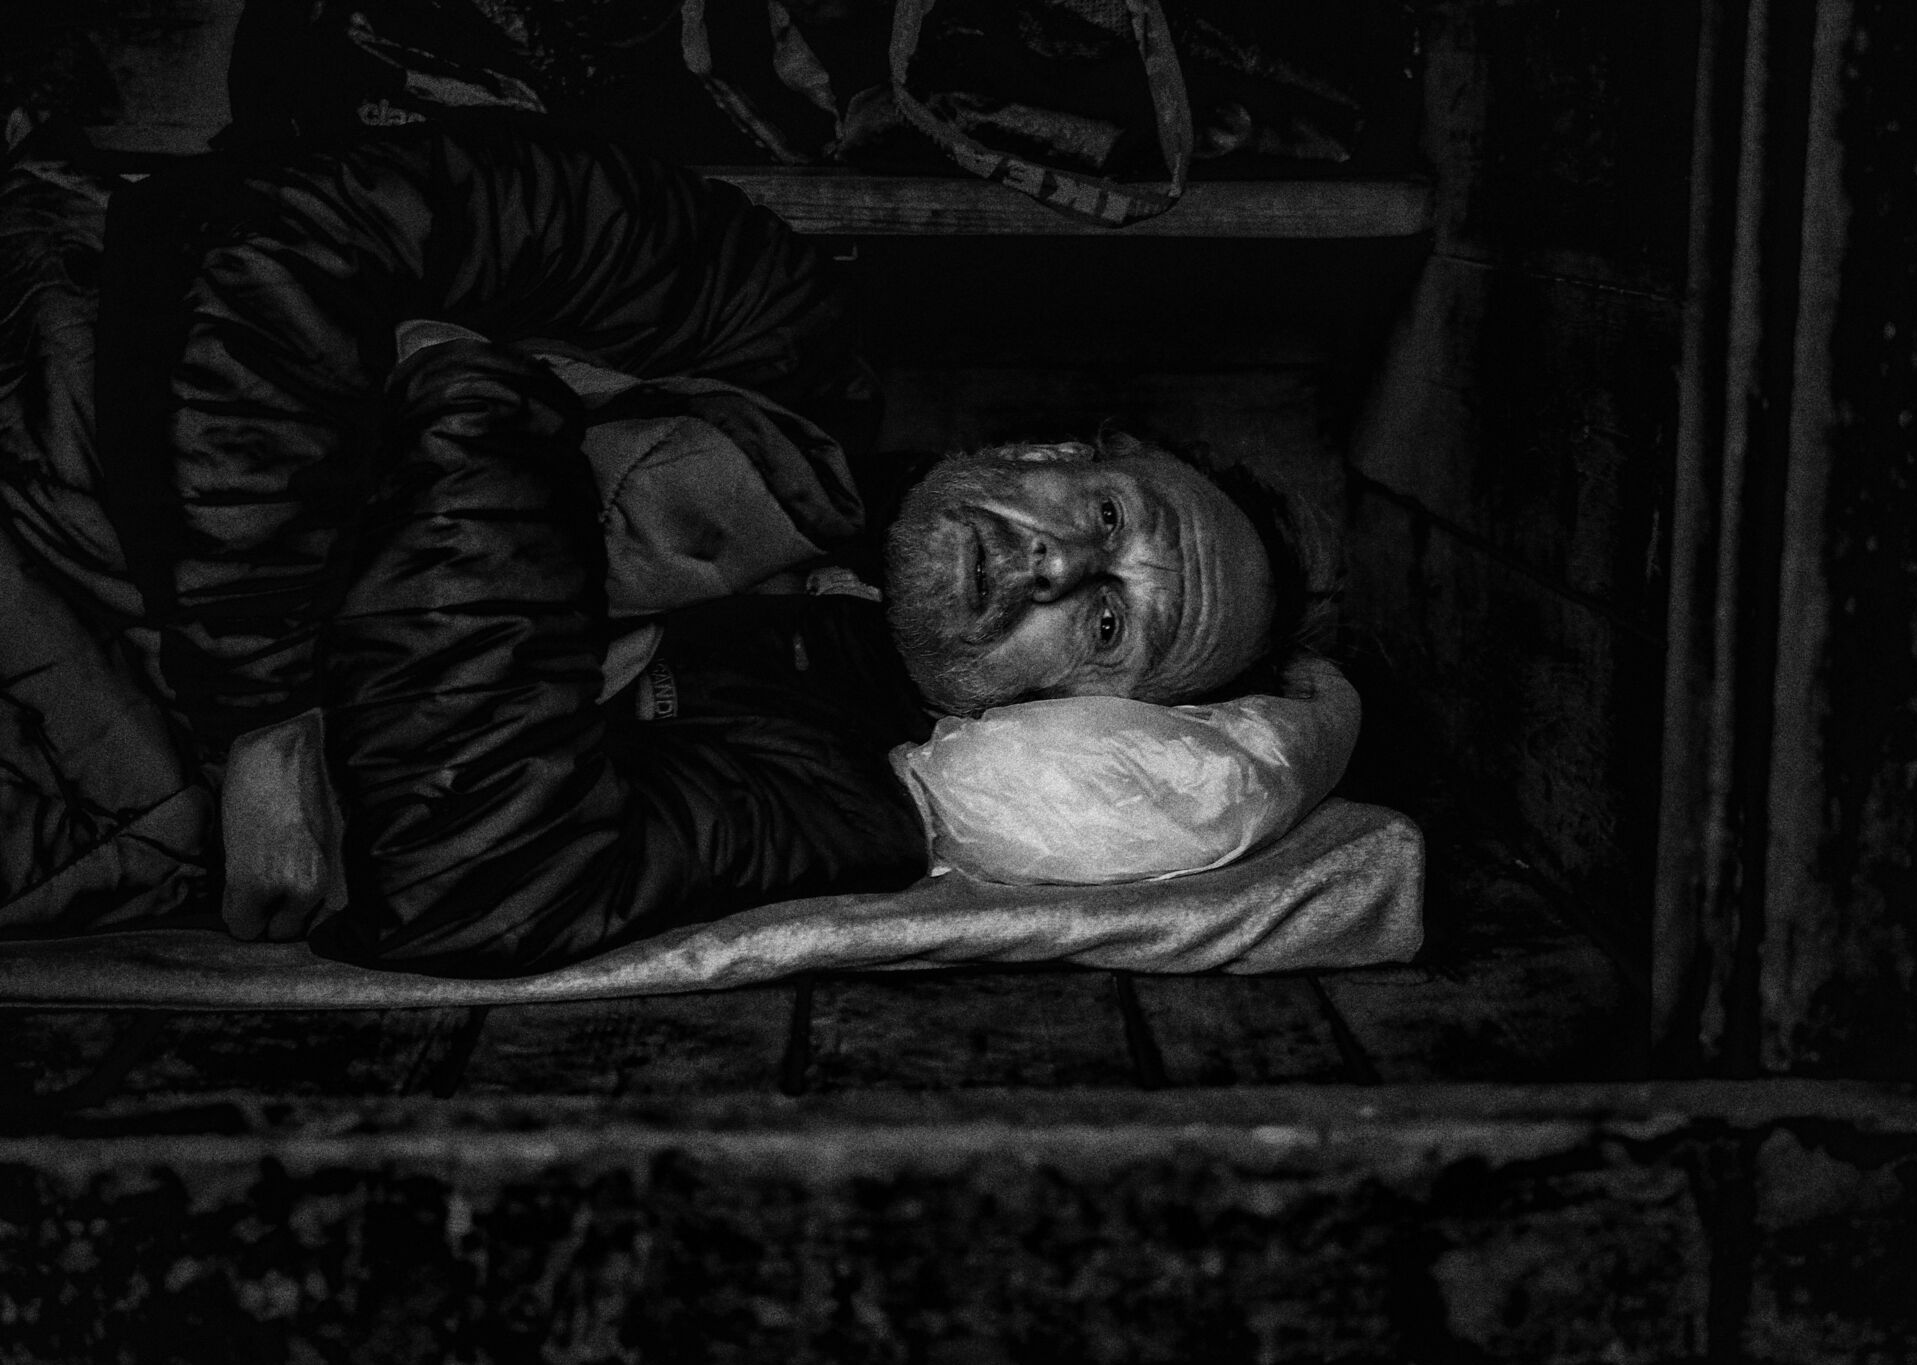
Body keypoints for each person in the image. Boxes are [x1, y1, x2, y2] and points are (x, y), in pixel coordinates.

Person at [11, 115, 1317, 973]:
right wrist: (269, 699)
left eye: (1106, 624)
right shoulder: (760, 313)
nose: (1058, 567)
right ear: (1054, 452)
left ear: (1070, 713)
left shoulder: (838, 790)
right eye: (1106, 518)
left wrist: (464, 393)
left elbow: (477, 882)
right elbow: (267, 233)